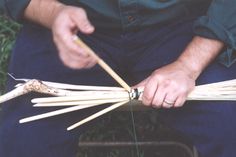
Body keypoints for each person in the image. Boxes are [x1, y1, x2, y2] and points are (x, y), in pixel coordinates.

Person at [0, 0, 236, 157]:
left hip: (184, 26)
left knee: (230, 126)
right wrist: (54, 14)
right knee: (23, 140)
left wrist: (188, 66)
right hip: (69, 26)